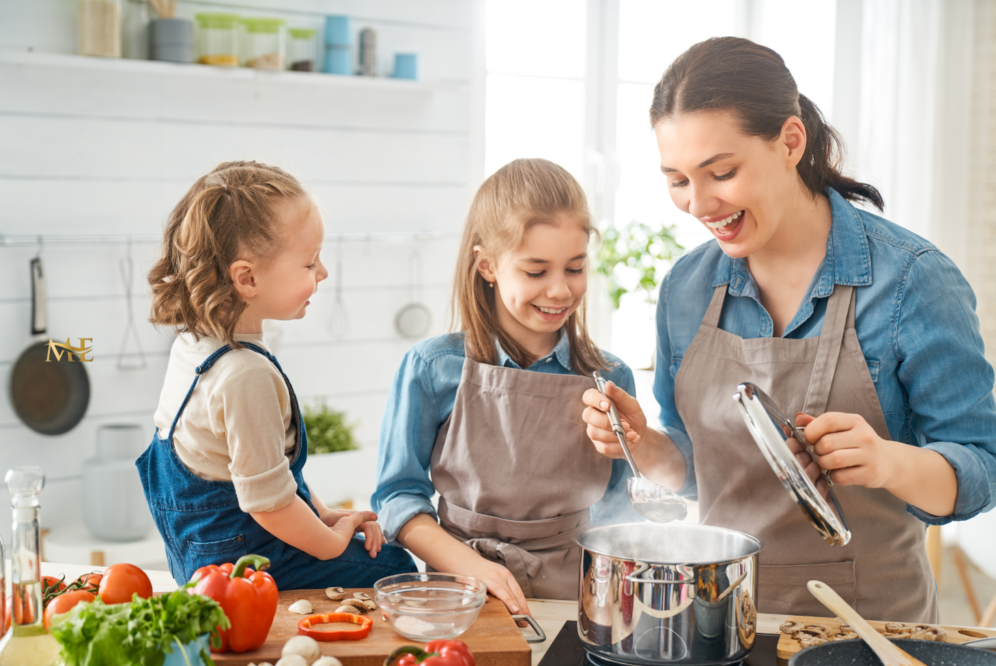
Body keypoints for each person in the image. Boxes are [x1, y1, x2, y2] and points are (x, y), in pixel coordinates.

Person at [582, 38, 996, 622]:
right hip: (719, 622)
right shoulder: (686, 288)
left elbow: (984, 471)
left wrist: (887, 462)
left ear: (790, 141)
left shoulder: (911, 280)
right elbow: (696, 468)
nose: (698, 204)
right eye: (677, 179)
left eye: (722, 172)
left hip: (869, 633)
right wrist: (647, 448)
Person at [372, 159, 648, 616]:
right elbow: (396, 497)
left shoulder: (610, 377)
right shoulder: (432, 368)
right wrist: (469, 566)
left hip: (577, 594)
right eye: (536, 272)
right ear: (488, 266)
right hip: (457, 591)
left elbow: (623, 506)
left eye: (575, 268)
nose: (560, 291)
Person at [137, 161, 416, 589]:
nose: (322, 273)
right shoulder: (244, 374)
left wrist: (323, 515)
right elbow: (267, 505)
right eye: (309, 263)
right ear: (246, 278)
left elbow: (267, 471)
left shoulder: (192, 345)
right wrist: (332, 541)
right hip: (246, 566)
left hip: (197, 557)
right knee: (396, 568)